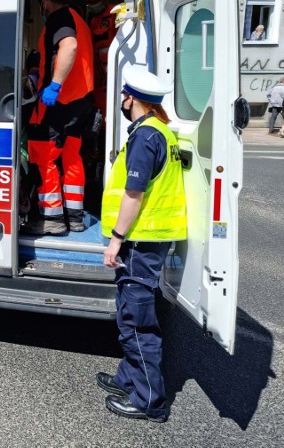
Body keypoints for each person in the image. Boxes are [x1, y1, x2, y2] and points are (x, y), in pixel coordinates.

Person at [97, 65, 186, 424]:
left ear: (130, 98)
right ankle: (128, 378)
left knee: (136, 320)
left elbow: (134, 193)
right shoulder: (160, 131)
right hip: (149, 238)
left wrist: (115, 240)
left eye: (123, 95)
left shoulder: (146, 137)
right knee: (128, 310)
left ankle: (149, 399)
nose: (121, 100)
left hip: (140, 240)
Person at [25, 0, 95, 235]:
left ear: (45, 1)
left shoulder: (60, 17)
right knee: (72, 158)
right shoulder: (80, 19)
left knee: (43, 155)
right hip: (80, 103)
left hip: (58, 102)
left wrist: (54, 85)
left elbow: (69, 46)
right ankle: (75, 218)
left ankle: (50, 218)